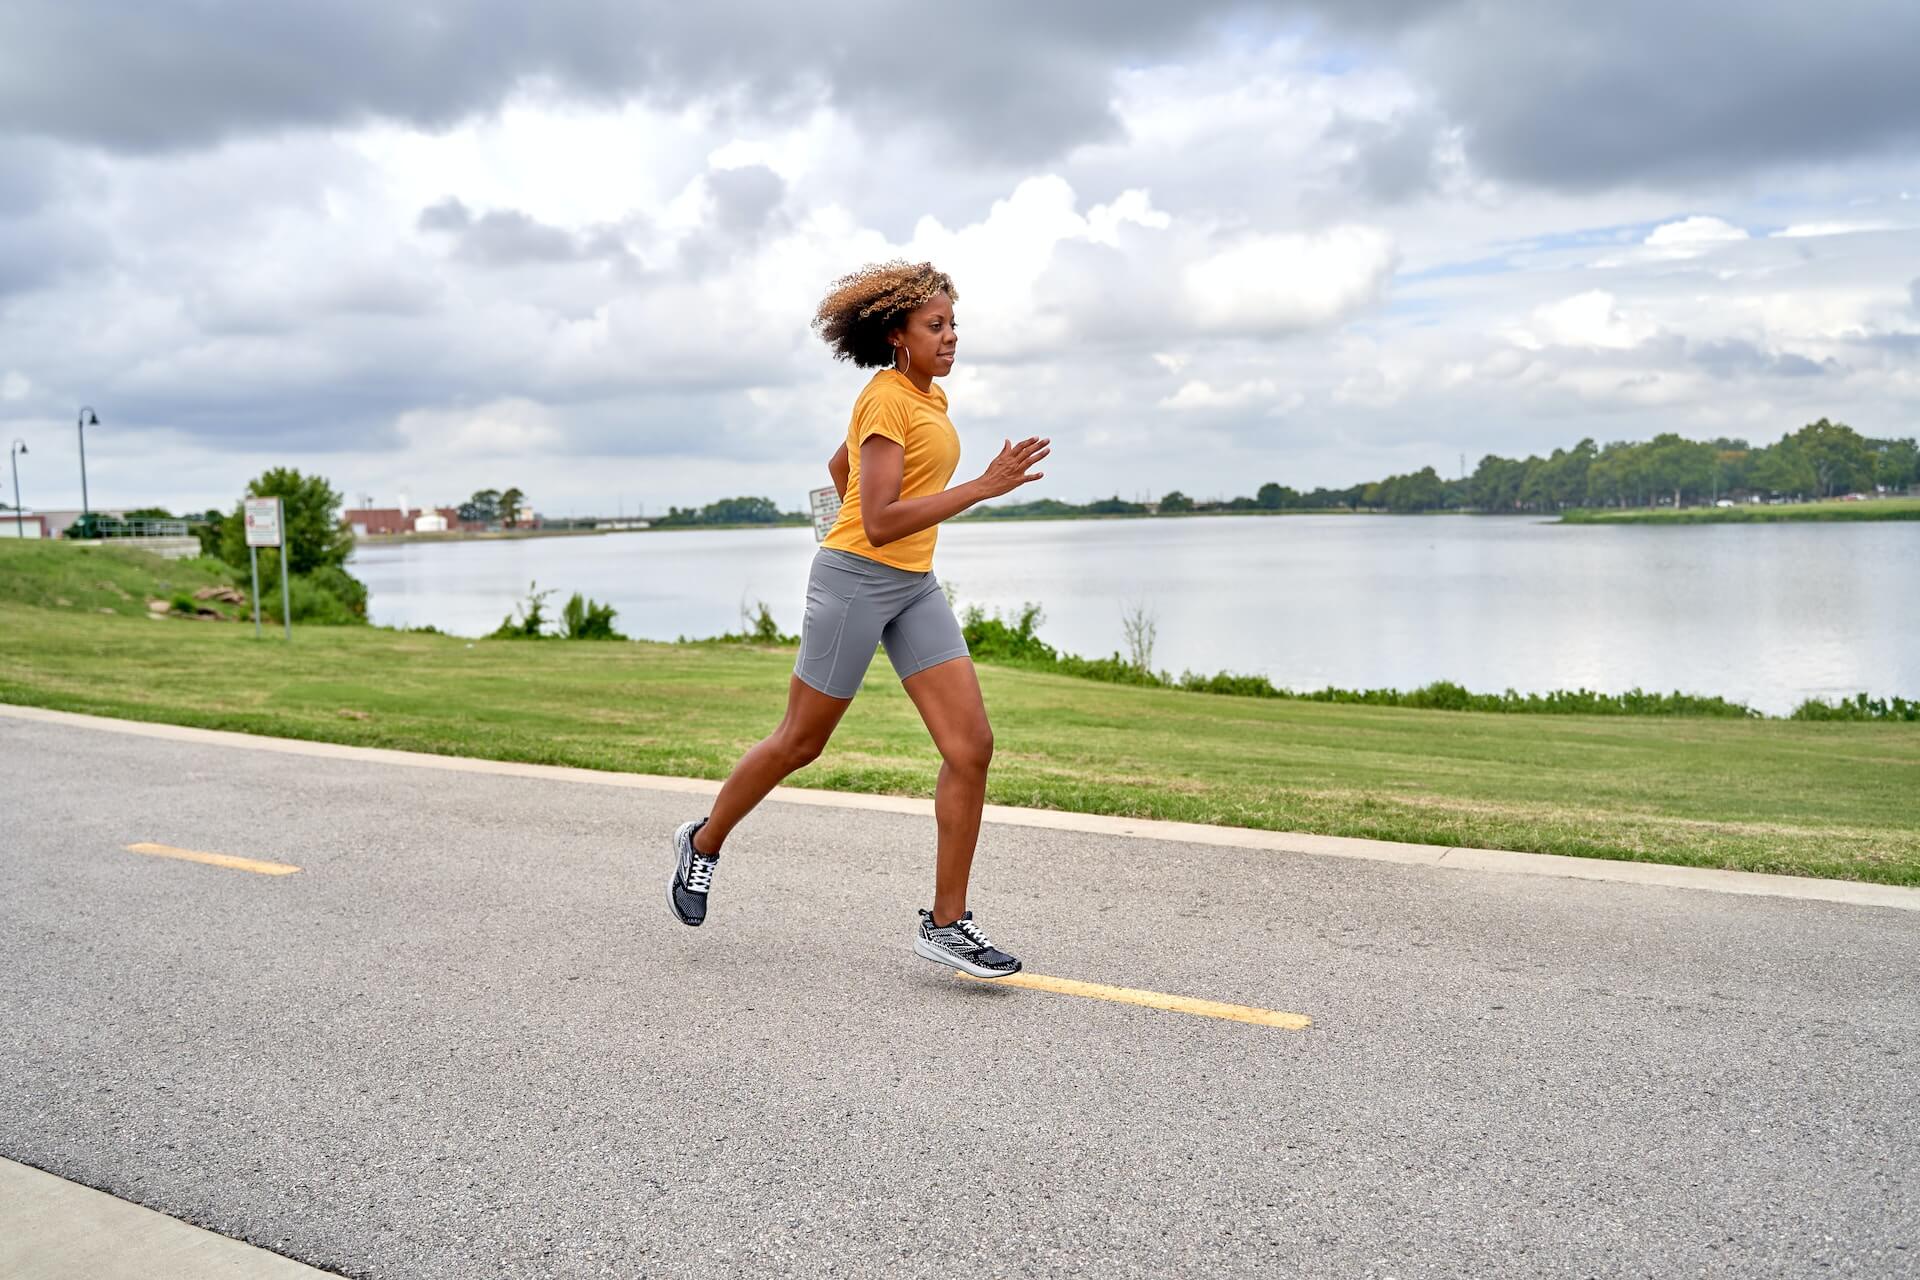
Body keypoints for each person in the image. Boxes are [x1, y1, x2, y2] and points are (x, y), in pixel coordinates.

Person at [668, 260, 1050, 979]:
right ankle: (705, 841)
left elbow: (840, 468)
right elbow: (875, 521)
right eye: (936, 325)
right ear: (897, 333)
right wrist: (982, 488)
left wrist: (860, 520)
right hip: (855, 581)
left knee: (971, 746)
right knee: (799, 742)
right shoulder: (887, 398)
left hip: (914, 588)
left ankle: (946, 923)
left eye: (954, 323)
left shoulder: (925, 398)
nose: (951, 337)